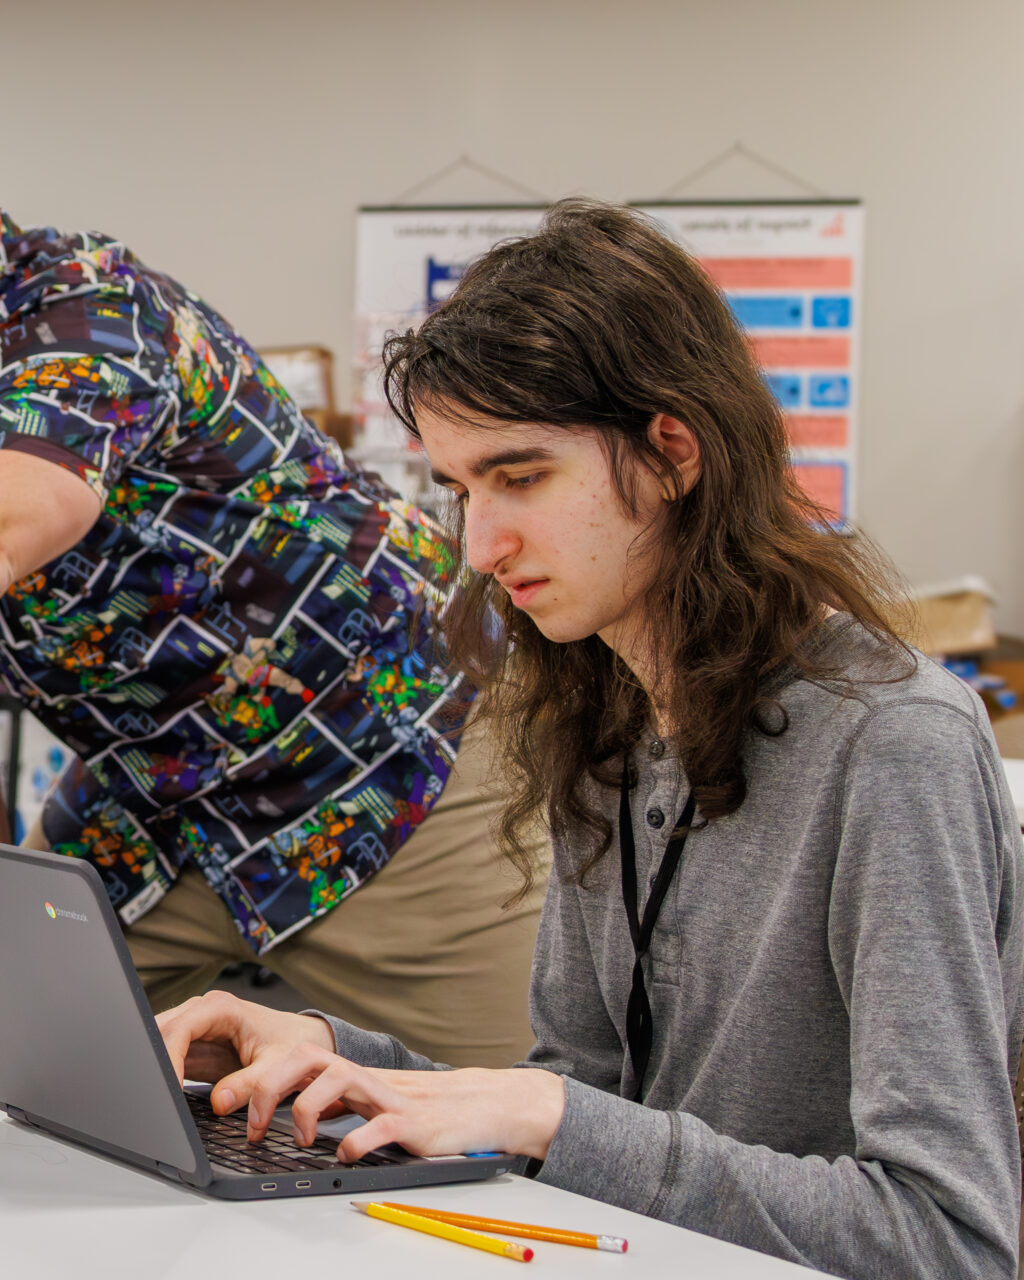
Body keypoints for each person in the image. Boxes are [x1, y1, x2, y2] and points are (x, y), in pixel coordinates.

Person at [155, 200, 1023, 1278]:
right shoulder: (607, 717)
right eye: (460, 487)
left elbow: (947, 1236)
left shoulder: (895, 746)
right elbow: (592, 1102)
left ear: (672, 452)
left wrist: (548, 1110)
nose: (481, 540)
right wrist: (336, 1054)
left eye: (520, 477)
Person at [0, 90, 546, 1067]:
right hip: (152, 792)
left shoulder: (91, 314)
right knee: (0, 1039)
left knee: (502, 1132)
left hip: (386, 749)